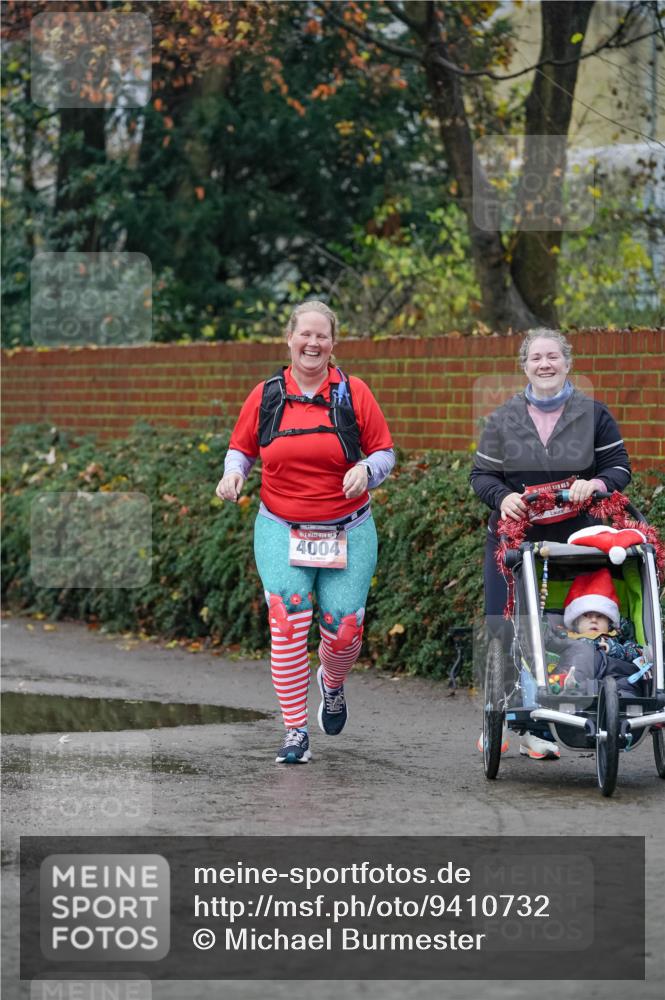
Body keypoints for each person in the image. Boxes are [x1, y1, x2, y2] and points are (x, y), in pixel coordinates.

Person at [216, 300, 395, 764]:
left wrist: (367, 472)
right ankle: (295, 730)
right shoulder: (267, 394)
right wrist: (233, 475)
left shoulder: (354, 393)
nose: (313, 343)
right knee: (289, 619)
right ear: (289, 339)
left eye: (322, 336)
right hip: (281, 525)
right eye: (305, 335)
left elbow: (384, 453)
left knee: (344, 627)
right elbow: (241, 449)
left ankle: (332, 685)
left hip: (348, 527)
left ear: (333, 344)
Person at [470, 328, 632, 760]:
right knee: (506, 628)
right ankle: (502, 722)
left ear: (567, 362)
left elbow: (619, 468)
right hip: (514, 542)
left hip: (573, 543)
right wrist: (502, 497)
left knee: (560, 628)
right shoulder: (504, 418)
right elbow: (480, 477)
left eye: (553, 357)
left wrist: (594, 484)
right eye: (536, 357)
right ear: (524, 366)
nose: (545, 364)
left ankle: (543, 724)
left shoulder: (593, 414)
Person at [544, 568, 644, 696]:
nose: (594, 620)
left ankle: (624, 698)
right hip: (581, 669)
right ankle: (566, 686)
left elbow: (639, 653)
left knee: (628, 682)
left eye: (600, 616)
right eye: (587, 615)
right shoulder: (569, 636)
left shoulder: (616, 637)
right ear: (575, 622)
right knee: (577, 657)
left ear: (609, 623)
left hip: (613, 670)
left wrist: (616, 649)